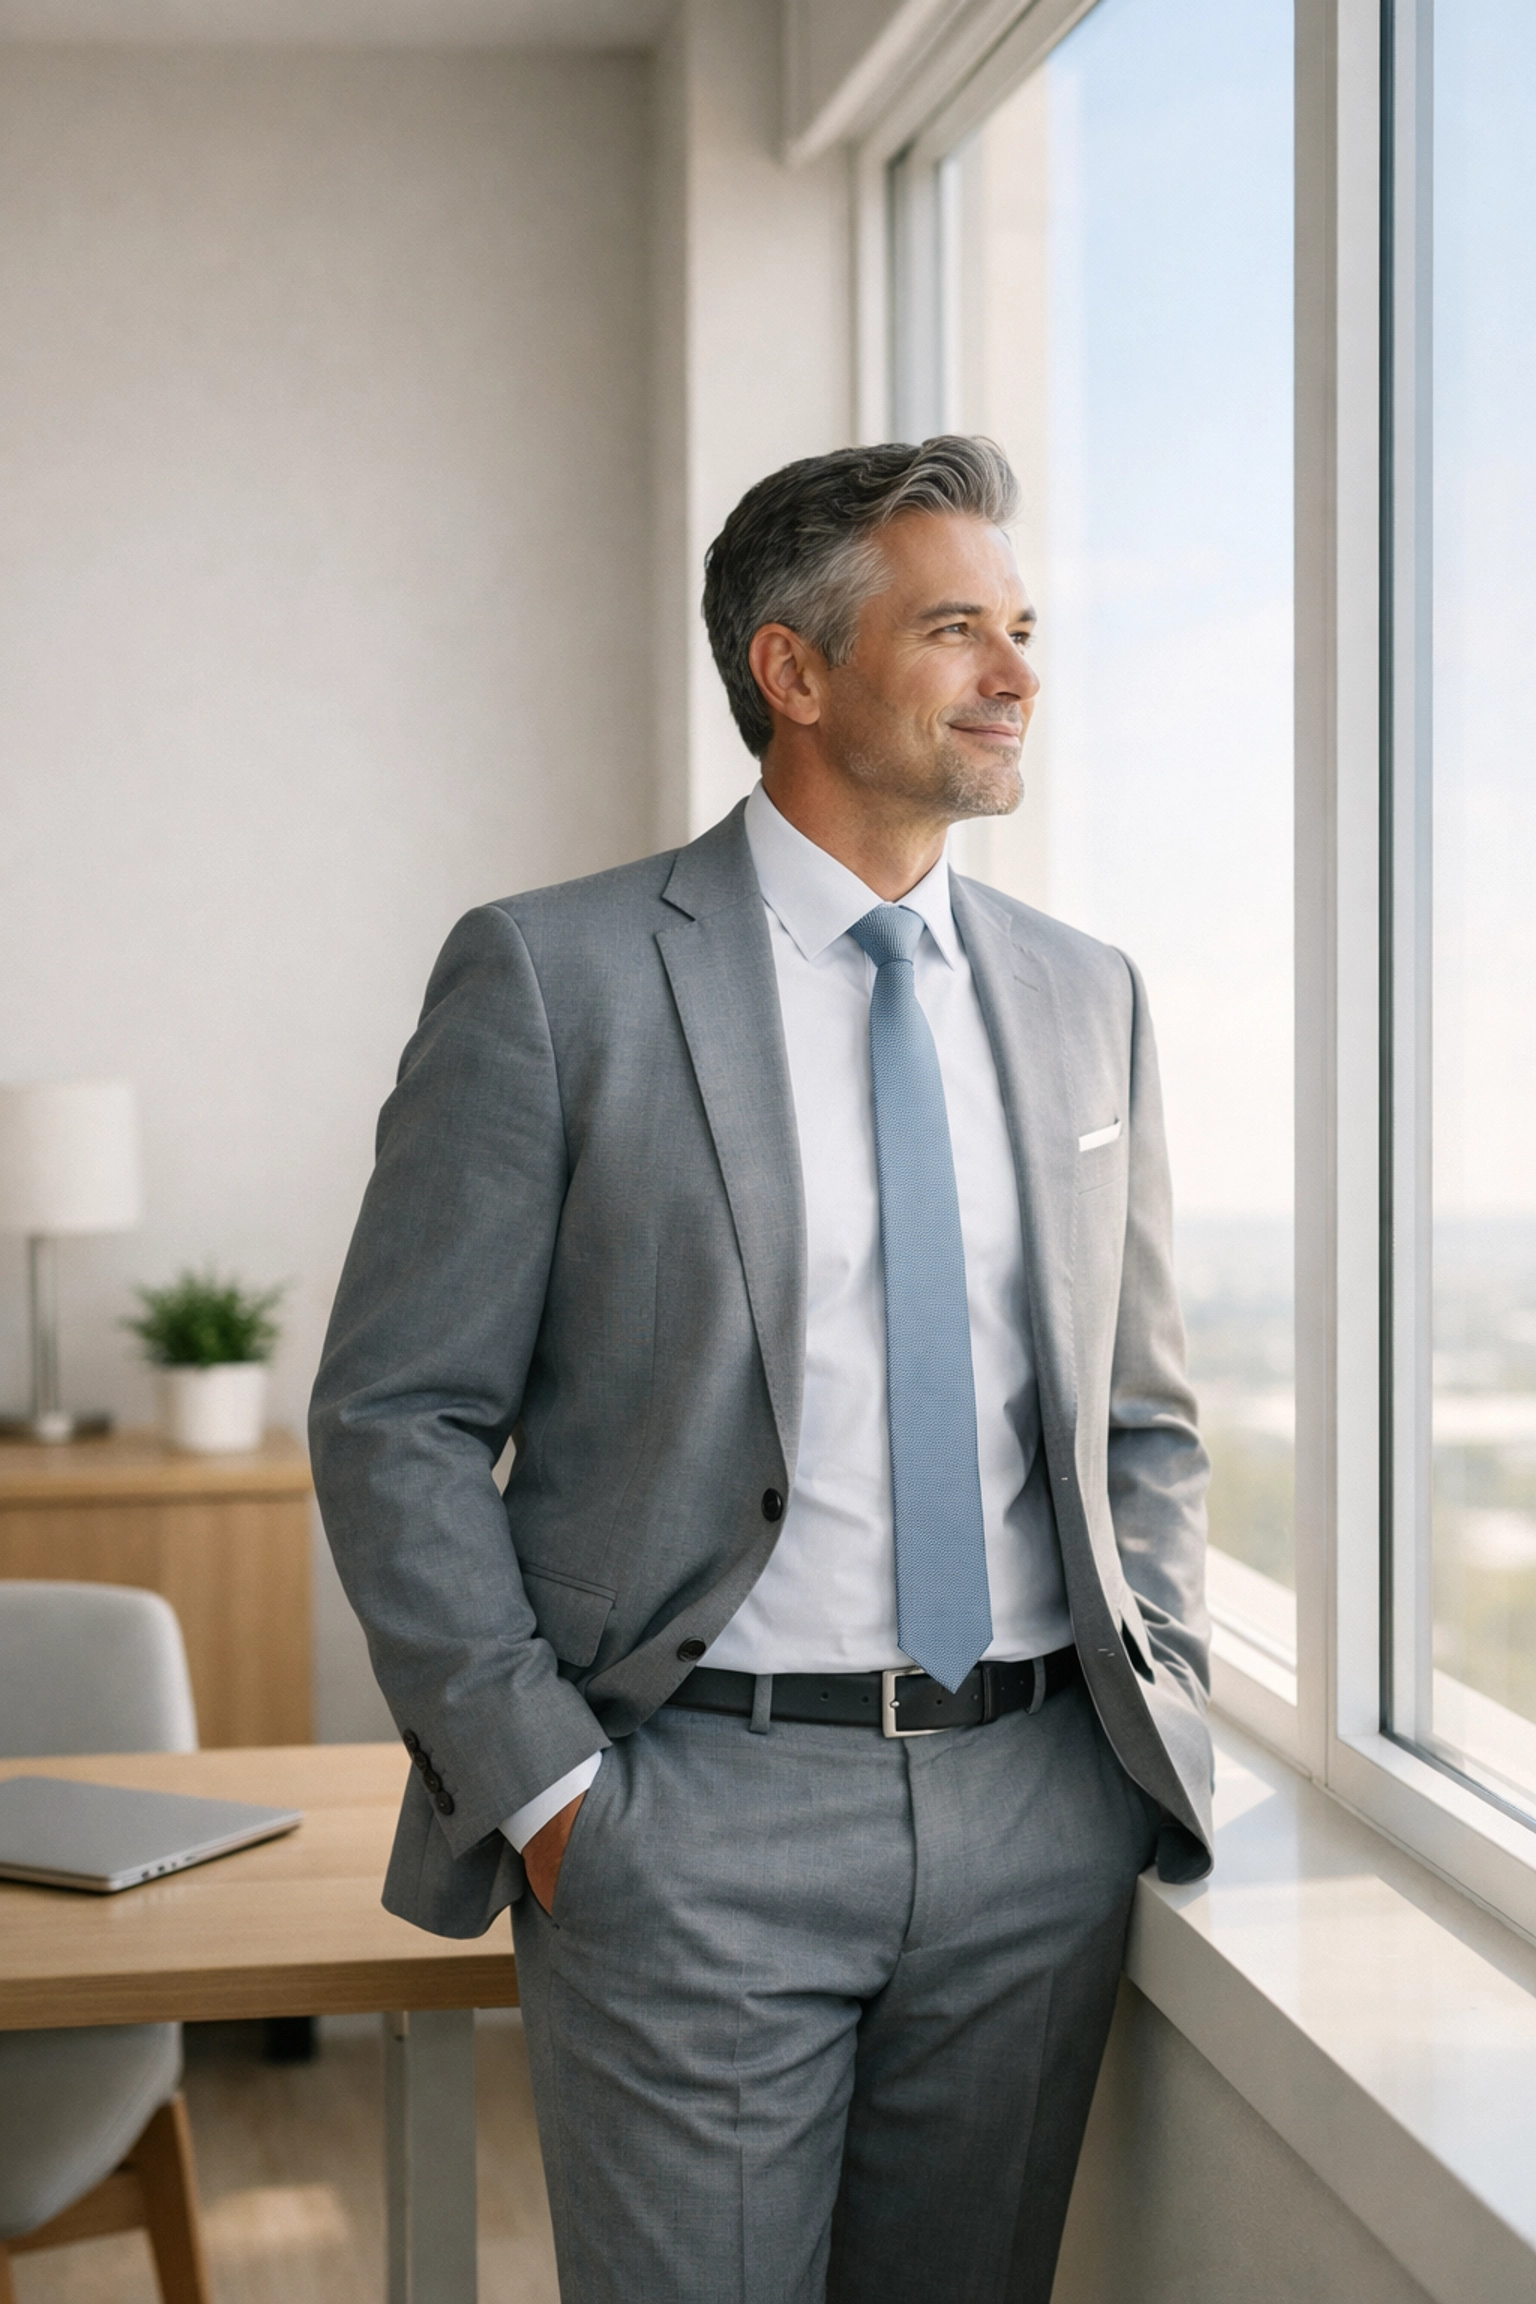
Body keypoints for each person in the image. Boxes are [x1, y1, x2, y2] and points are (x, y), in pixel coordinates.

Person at [310, 434, 1212, 2304]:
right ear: (791, 673)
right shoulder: (555, 978)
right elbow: (399, 1418)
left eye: (1022, 628)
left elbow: (1138, 1413)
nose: (1018, 675)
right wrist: (552, 1795)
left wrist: (1153, 1724)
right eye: (955, 628)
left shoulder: (1084, 993)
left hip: (1038, 1817)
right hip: (687, 1821)